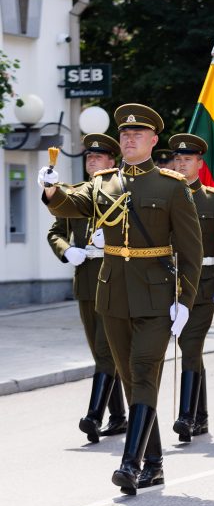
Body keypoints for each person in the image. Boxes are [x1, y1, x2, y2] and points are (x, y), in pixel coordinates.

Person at [40, 104, 202, 495]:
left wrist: (184, 300)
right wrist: (50, 189)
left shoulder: (171, 186)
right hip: (112, 294)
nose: (129, 139)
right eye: (125, 134)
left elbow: (191, 251)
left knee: (144, 371)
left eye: (137, 134)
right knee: (131, 379)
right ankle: (156, 462)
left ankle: (130, 465)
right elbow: (70, 204)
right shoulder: (103, 183)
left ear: (152, 140)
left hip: (155, 297)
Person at [46, 133, 127, 444]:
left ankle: (94, 416)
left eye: (98, 157)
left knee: (107, 351)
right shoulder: (75, 193)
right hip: (85, 280)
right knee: (101, 352)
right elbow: (56, 230)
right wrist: (67, 250)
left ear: (112, 161)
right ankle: (119, 417)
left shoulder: (124, 192)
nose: (91, 161)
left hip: (114, 278)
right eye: (88, 157)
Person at [168, 133, 214, 442]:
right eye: (178, 158)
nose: (181, 163)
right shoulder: (164, 195)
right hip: (169, 284)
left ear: (200, 163)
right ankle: (202, 415)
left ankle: (186, 417)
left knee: (191, 346)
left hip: (204, 284)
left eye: (188, 159)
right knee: (189, 350)